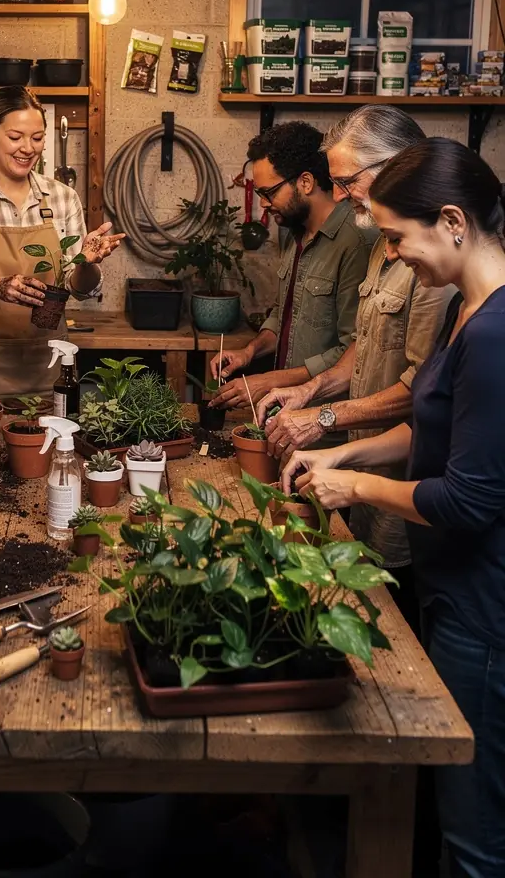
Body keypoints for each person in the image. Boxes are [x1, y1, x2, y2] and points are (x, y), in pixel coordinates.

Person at [280, 137, 505, 878]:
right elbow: (432, 429)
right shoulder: (466, 309)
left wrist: (357, 489)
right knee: (450, 809)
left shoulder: (496, 333)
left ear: (452, 222)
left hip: (485, 610)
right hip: (452, 593)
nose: (395, 253)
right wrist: (345, 455)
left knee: (476, 837)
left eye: (399, 237)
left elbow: (468, 499)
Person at [255, 106, 454, 601]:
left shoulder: (431, 260)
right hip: (363, 472)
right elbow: (366, 344)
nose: (340, 195)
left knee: (395, 612)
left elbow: (424, 390)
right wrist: (310, 389)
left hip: (405, 485)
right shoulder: (382, 246)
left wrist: (324, 417)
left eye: (347, 181)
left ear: (397, 165)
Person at [0, 86, 124, 398]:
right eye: (15, 137)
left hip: (46, 364)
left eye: (37, 138)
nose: (28, 148)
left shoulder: (62, 198)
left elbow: (79, 288)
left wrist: (86, 263)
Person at [209, 122, 374, 410]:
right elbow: (285, 315)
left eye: (269, 193)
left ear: (306, 182)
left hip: (327, 418)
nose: (264, 204)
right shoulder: (292, 231)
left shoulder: (355, 241)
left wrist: (267, 381)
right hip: (288, 415)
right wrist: (250, 351)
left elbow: (355, 350)